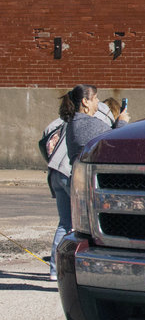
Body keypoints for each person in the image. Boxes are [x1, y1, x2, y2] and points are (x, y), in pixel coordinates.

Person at [40, 93, 73, 282]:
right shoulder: (82, 123)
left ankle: (54, 269)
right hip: (69, 172)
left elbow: (44, 141)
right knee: (78, 224)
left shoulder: (55, 124)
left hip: (55, 172)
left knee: (64, 222)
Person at [65, 84, 130, 165]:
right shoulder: (88, 123)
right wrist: (122, 122)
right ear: (85, 101)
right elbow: (117, 142)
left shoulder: (74, 121)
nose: (98, 101)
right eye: (95, 98)